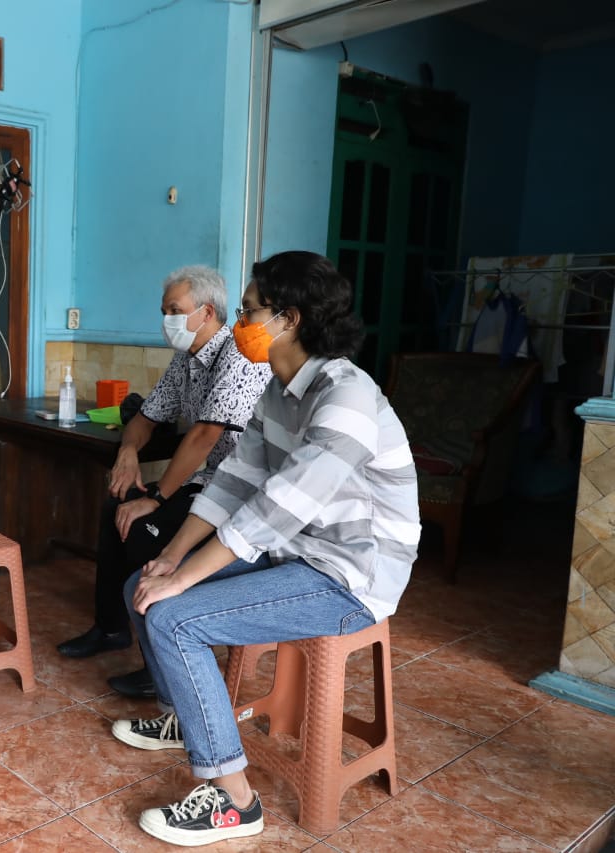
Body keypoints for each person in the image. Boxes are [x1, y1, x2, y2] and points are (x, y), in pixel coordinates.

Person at [109, 251, 420, 847]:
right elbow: (232, 484)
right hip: (297, 552)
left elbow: (280, 508)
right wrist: (173, 557)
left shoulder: (346, 396)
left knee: (173, 615)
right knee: (140, 585)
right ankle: (187, 720)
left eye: (249, 311)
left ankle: (235, 801)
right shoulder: (277, 393)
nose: (240, 322)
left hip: (350, 576)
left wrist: (183, 581)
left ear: (290, 320)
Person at [56, 266, 271, 699]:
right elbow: (145, 417)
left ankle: (165, 661)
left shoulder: (238, 355)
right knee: (115, 509)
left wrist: (155, 496)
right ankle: (111, 627)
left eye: (175, 310)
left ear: (207, 312)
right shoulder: (186, 358)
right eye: (164, 310)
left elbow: (205, 434)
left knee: (144, 530)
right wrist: (129, 453)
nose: (166, 319)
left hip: (241, 489)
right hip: (208, 479)